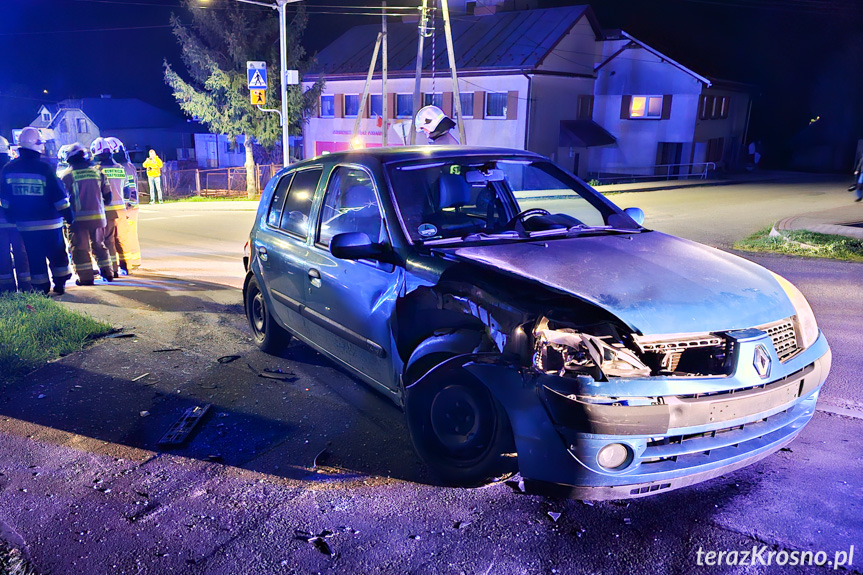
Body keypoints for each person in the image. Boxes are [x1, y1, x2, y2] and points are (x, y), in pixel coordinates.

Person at [0, 127, 73, 295]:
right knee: (57, 255)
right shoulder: (45, 168)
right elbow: (58, 195)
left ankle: (41, 288)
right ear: (37, 145)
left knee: (35, 257)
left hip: (26, 225)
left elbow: (5, 199)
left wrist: (11, 215)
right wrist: (68, 214)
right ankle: (60, 283)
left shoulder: (9, 169)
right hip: (50, 224)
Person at [59, 143, 114, 285]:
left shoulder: (67, 175)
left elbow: (61, 198)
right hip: (98, 218)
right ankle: (108, 272)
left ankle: (86, 278)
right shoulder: (98, 172)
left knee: (80, 249)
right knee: (99, 245)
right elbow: (108, 196)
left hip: (77, 220)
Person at [91, 137, 130, 277]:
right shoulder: (120, 168)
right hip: (122, 209)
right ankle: (125, 265)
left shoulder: (98, 170)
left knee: (108, 241)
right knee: (120, 239)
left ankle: (113, 269)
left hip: (107, 211)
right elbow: (127, 191)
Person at [0, 136, 32, 292]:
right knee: (21, 252)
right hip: (18, 220)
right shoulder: (13, 168)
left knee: (2, 255)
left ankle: (7, 289)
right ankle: (26, 285)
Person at [107, 137, 141, 270]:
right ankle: (134, 261)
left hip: (128, 207)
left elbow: (131, 187)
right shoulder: (128, 166)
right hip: (131, 206)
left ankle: (131, 262)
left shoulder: (124, 168)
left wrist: (129, 205)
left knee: (125, 235)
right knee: (130, 234)